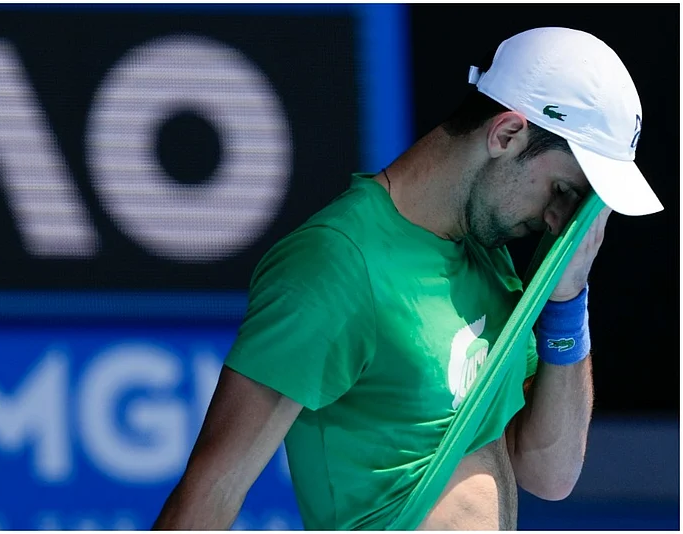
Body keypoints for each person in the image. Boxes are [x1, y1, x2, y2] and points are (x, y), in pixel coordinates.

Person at [152, 27, 663, 531]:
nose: (557, 220)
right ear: (507, 134)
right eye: (562, 190)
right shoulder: (336, 264)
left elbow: (550, 473)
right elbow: (211, 491)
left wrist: (567, 300)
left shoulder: (488, 257)